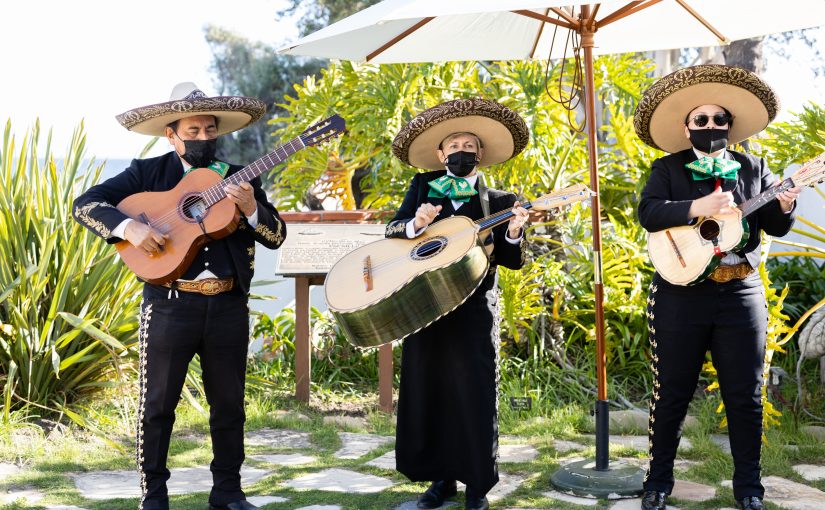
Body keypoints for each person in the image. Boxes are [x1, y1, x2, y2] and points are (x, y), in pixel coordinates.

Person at [73, 83, 286, 510]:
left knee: (229, 407)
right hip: (170, 305)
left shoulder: (241, 176)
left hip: (227, 305)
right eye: (194, 129)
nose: (204, 137)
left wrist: (250, 210)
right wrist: (129, 227)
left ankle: (227, 493)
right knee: (157, 405)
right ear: (172, 135)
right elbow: (85, 204)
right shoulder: (146, 174)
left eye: (211, 129)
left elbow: (276, 237)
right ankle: (153, 495)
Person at [634, 65, 801, 510]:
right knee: (671, 391)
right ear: (687, 127)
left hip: (739, 290)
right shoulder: (667, 168)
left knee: (745, 395)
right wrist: (697, 206)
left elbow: (775, 226)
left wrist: (785, 203)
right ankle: (657, 482)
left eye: (718, 119)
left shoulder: (754, 167)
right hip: (680, 291)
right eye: (700, 120)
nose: (710, 126)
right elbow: (649, 213)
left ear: (730, 126)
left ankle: (749, 489)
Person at [387, 98, 530, 510]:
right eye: (454, 145)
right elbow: (393, 230)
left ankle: (478, 487)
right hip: (424, 306)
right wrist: (417, 224)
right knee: (429, 389)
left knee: (473, 393)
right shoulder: (422, 188)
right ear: (440, 154)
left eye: (469, 144)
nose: (462, 150)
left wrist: (515, 232)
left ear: (480, 153)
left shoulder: (501, 200)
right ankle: (441, 481)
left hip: (473, 308)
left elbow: (512, 261)